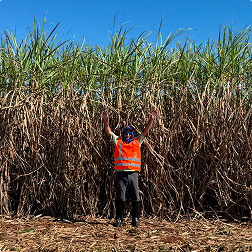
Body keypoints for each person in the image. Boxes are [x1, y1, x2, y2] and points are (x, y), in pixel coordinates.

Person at [102, 110, 157, 227]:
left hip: (133, 174)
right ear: (123, 134)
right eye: (126, 133)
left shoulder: (137, 141)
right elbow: (108, 132)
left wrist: (151, 120)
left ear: (132, 134)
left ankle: (135, 219)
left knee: (135, 197)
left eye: (129, 133)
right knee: (120, 197)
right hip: (120, 174)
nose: (127, 135)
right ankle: (119, 219)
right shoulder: (118, 141)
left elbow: (146, 132)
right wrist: (106, 121)